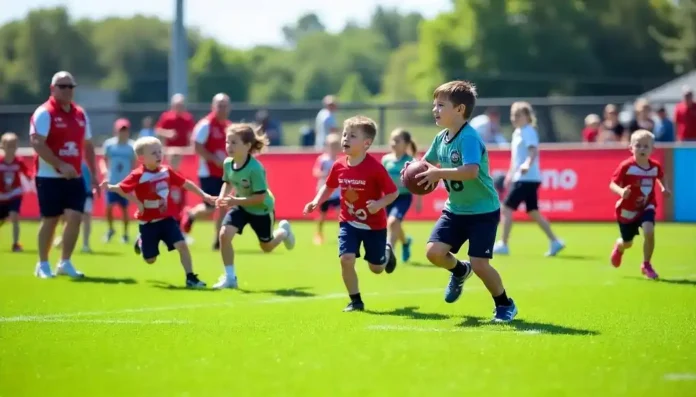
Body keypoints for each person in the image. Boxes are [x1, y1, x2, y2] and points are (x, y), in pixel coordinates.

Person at [413, 80, 517, 322]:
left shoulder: (469, 138)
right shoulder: (440, 138)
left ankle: (504, 304)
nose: (434, 109)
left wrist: (438, 173)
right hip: (456, 210)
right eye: (434, 105)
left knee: (481, 264)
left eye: (441, 105)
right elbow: (427, 163)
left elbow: (470, 171)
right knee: (434, 253)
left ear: (459, 109)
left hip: (483, 211)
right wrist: (413, 169)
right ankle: (460, 271)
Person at [304, 116, 398, 312]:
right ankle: (355, 301)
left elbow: (393, 193)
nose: (345, 138)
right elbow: (329, 187)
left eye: (352, 136)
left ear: (367, 143)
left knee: (377, 268)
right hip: (348, 222)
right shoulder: (338, 165)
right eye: (345, 134)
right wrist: (315, 201)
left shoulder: (375, 168)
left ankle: (386, 254)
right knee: (346, 258)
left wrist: (379, 204)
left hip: (374, 226)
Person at [101, 136, 214, 288]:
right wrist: (114, 188)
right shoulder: (138, 175)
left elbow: (185, 183)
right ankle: (141, 241)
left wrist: (204, 195)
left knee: (182, 245)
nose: (159, 155)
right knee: (150, 259)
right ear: (142, 158)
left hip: (167, 219)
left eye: (160, 152)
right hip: (148, 223)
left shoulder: (167, 171)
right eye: (154, 153)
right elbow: (122, 188)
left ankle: (191, 278)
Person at [30, 71, 98, 279]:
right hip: (49, 177)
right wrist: (60, 165)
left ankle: (64, 261)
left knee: (75, 217)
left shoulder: (80, 114)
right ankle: (42, 264)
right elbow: (37, 143)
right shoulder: (44, 113)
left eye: (70, 86)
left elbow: (87, 145)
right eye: (62, 86)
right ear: (52, 89)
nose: (67, 90)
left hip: (74, 177)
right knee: (50, 219)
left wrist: (93, 174)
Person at [212, 124, 296, 289]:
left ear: (247, 146)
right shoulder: (228, 163)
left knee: (267, 247)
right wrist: (222, 198)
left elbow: (260, 197)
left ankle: (284, 232)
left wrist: (234, 201)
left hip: (261, 210)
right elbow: (228, 182)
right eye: (227, 142)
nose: (229, 146)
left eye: (234, 142)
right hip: (241, 207)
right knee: (224, 234)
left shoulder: (255, 168)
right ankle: (230, 278)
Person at [493, 102, 565, 257]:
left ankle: (503, 245)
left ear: (526, 116)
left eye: (518, 115)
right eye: (513, 115)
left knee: (506, 208)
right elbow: (516, 158)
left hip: (527, 177)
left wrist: (526, 165)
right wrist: (510, 175)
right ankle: (555, 241)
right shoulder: (517, 133)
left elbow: (533, 152)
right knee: (533, 211)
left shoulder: (528, 131)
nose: (514, 118)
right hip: (523, 177)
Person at [609, 130, 671, 279]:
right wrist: (621, 191)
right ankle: (620, 246)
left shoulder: (655, 166)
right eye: (638, 146)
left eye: (646, 146)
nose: (642, 149)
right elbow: (612, 184)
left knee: (649, 231)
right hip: (627, 209)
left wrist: (664, 188)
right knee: (628, 242)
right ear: (631, 148)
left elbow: (661, 177)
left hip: (646, 205)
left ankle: (646, 264)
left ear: (652, 149)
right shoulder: (626, 166)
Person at [181, 93, 231, 250]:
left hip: (225, 173)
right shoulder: (206, 124)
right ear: (213, 106)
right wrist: (213, 159)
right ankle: (191, 214)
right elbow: (196, 145)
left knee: (223, 205)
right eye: (219, 105)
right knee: (210, 208)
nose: (222, 108)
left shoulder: (229, 126)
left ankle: (218, 240)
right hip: (208, 172)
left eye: (225, 105)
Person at [382, 128, 422, 263]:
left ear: (406, 144)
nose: (393, 143)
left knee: (392, 222)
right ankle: (405, 242)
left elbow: (418, 182)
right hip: (389, 197)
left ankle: (389, 253)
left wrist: (419, 201)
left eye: (397, 140)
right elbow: (380, 179)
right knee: (395, 224)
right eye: (392, 140)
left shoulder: (412, 161)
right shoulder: (386, 159)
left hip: (404, 197)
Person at [101, 118, 136, 243]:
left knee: (124, 209)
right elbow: (103, 160)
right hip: (112, 181)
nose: (123, 133)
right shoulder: (109, 145)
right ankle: (110, 229)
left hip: (125, 183)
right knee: (109, 207)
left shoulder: (132, 146)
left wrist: (132, 180)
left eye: (125, 130)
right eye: (121, 130)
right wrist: (105, 171)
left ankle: (125, 234)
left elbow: (134, 164)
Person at [0, 132, 32, 252]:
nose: (11, 149)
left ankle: (15, 243)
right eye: (8, 146)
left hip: (14, 194)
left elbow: (27, 172)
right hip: (1, 195)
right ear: (2, 146)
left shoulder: (19, 161)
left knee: (15, 215)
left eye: (13, 146)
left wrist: (31, 178)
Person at [312, 133, 341, 245]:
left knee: (340, 214)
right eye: (331, 145)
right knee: (323, 215)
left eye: (336, 145)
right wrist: (325, 174)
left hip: (337, 193)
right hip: (324, 192)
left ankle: (341, 234)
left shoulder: (340, 160)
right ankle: (318, 234)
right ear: (327, 146)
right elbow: (315, 172)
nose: (334, 148)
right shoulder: (323, 160)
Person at [155, 94, 195, 169]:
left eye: (181, 106)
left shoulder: (188, 118)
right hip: (170, 150)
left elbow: (191, 134)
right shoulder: (166, 117)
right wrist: (168, 133)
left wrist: (191, 147)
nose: (179, 108)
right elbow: (158, 131)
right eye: (177, 106)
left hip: (184, 150)